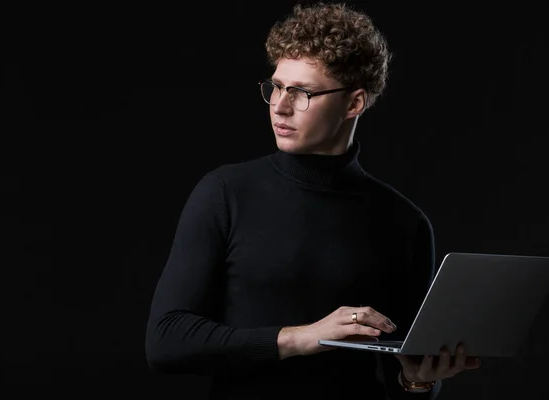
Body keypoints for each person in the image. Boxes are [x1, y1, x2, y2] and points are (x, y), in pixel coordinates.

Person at [145, 2, 480, 399]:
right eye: (277, 86)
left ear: (354, 103)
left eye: (303, 92)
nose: (280, 106)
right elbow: (165, 342)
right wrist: (303, 338)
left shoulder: (404, 223)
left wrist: (418, 381)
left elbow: (403, 379)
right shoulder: (224, 193)